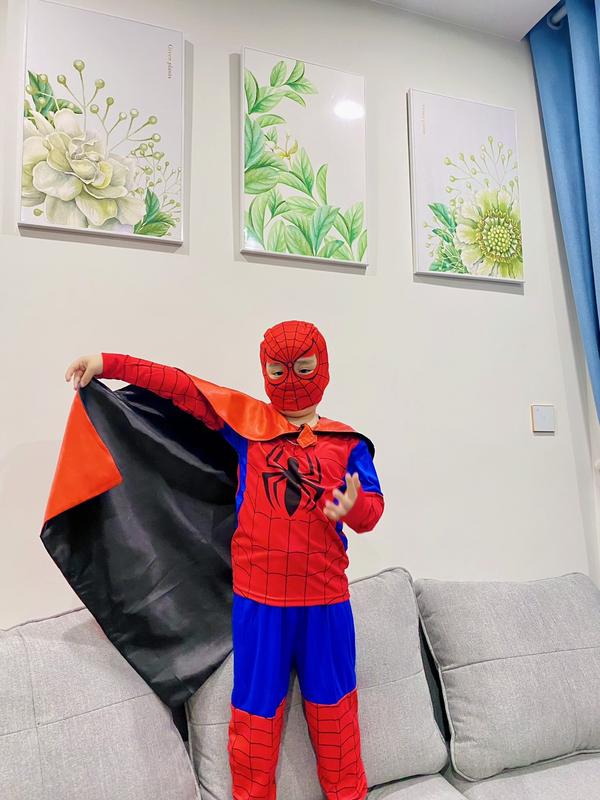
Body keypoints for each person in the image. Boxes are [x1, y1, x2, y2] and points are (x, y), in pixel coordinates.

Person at [64, 319, 384, 800]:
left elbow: (372, 511)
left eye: (303, 368)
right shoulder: (248, 425)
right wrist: (109, 363)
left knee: (336, 718)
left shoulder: (348, 443)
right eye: (279, 370)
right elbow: (182, 387)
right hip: (260, 605)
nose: (292, 380)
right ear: (264, 370)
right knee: (255, 720)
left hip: (326, 605)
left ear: (323, 368)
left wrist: (353, 507)